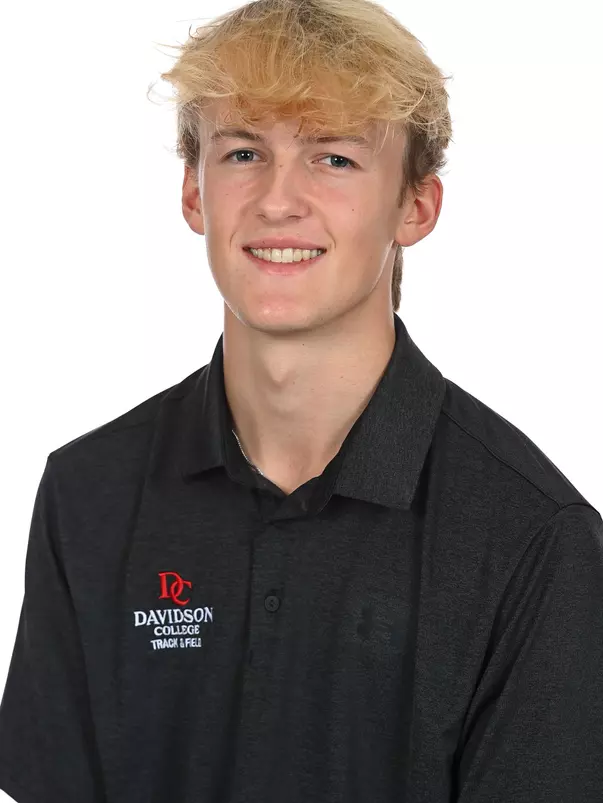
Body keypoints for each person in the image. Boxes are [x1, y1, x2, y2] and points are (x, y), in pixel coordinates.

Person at [1, 0, 602, 801]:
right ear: (193, 193)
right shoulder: (88, 494)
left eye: (334, 159)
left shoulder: (534, 538)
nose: (278, 201)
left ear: (415, 206)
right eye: (244, 152)